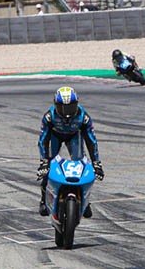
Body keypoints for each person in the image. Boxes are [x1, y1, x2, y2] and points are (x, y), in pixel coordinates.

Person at [36, 86, 104, 217]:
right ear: (56, 105)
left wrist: (96, 163)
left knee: (82, 164)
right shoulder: (49, 117)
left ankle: (85, 202)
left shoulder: (84, 117)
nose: (67, 112)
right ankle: (43, 200)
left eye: (70, 107)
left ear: (77, 104)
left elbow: (91, 140)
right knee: (48, 168)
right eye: (63, 107)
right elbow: (43, 140)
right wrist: (44, 162)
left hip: (74, 136)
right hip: (55, 136)